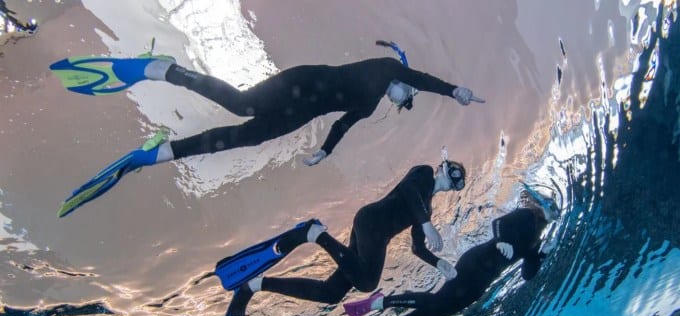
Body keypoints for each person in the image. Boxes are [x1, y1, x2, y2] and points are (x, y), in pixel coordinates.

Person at [51, 42, 482, 217]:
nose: (405, 100)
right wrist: (454, 90)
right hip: (300, 83)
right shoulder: (386, 68)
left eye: (406, 103)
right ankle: (166, 70)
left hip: (300, 113)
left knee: (245, 138)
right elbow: (422, 78)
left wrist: (325, 153)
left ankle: (162, 152)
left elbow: (343, 124)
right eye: (408, 96)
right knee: (241, 104)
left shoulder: (370, 105)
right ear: (403, 80)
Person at [227, 152, 467, 316]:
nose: (455, 179)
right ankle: (316, 235)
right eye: (455, 172)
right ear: (442, 167)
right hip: (372, 222)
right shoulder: (424, 173)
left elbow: (417, 247)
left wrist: (439, 263)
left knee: (331, 293)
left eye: (459, 182)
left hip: (376, 235)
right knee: (367, 282)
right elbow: (409, 189)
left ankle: (258, 284)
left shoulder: (427, 208)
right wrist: (426, 224)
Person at [346, 186, 560, 316]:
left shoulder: (535, 241)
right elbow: (498, 224)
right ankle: (377, 305)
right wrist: (502, 240)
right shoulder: (526, 215)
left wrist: (542, 254)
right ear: (542, 205)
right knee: (438, 302)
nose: (554, 212)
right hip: (477, 264)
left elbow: (527, 274)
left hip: (483, 281)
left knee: (440, 311)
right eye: (552, 206)